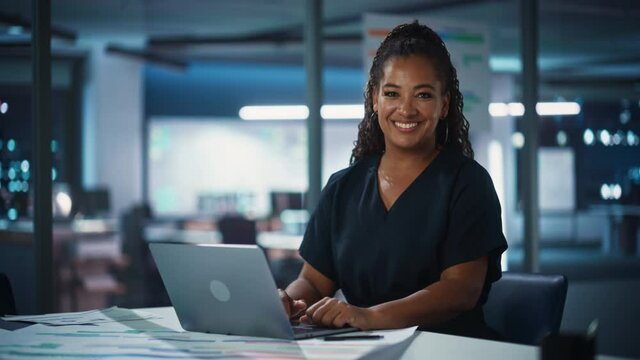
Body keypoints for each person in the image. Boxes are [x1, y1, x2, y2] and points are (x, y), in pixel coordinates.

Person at [279, 21, 508, 339]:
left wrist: (370, 317)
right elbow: (315, 281)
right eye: (392, 93)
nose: (406, 109)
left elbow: (460, 289)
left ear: (444, 105)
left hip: (449, 351)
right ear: (375, 100)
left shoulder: (467, 183)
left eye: (423, 95)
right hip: (364, 347)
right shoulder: (343, 187)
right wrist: (289, 302)